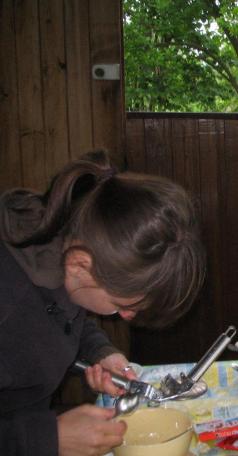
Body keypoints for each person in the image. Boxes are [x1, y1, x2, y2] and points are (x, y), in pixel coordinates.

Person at [0, 150, 206, 455]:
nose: (126, 316)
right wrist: (48, 437)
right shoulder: (9, 306)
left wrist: (100, 351)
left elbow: (60, 317)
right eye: (120, 303)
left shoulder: (67, 238)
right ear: (80, 266)